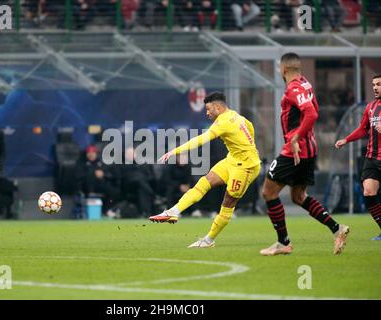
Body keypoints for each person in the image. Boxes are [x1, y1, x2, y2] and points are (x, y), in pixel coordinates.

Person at [261, 53, 349, 256]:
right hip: (309, 149)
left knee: (268, 192)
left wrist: (295, 138)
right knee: (299, 196)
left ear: (283, 70)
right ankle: (338, 229)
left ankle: (283, 243)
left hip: (295, 150)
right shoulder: (306, 84)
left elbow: (311, 113)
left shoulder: (293, 88)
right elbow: (313, 109)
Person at [150, 92, 261, 248]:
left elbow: (200, 140)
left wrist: (175, 151)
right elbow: (249, 126)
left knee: (228, 202)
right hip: (232, 160)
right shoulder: (235, 115)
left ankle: (209, 240)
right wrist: (249, 146)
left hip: (247, 167)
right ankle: (173, 212)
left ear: (217, 107)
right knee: (205, 182)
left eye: (209, 109)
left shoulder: (222, 122)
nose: (207, 113)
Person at [335, 74, 381, 241]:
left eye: (379, 84)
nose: (375, 87)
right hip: (372, 157)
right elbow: (363, 129)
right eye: (374, 84)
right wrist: (346, 139)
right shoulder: (370, 107)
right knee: (368, 192)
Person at [77, 145, 120, 214]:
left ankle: (107, 210)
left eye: (93, 153)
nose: (91, 154)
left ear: (96, 154)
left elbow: (109, 174)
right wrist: (94, 173)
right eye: (89, 153)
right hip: (87, 187)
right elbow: (80, 176)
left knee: (114, 191)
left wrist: (103, 174)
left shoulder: (100, 163)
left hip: (100, 185)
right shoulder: (82, 163)